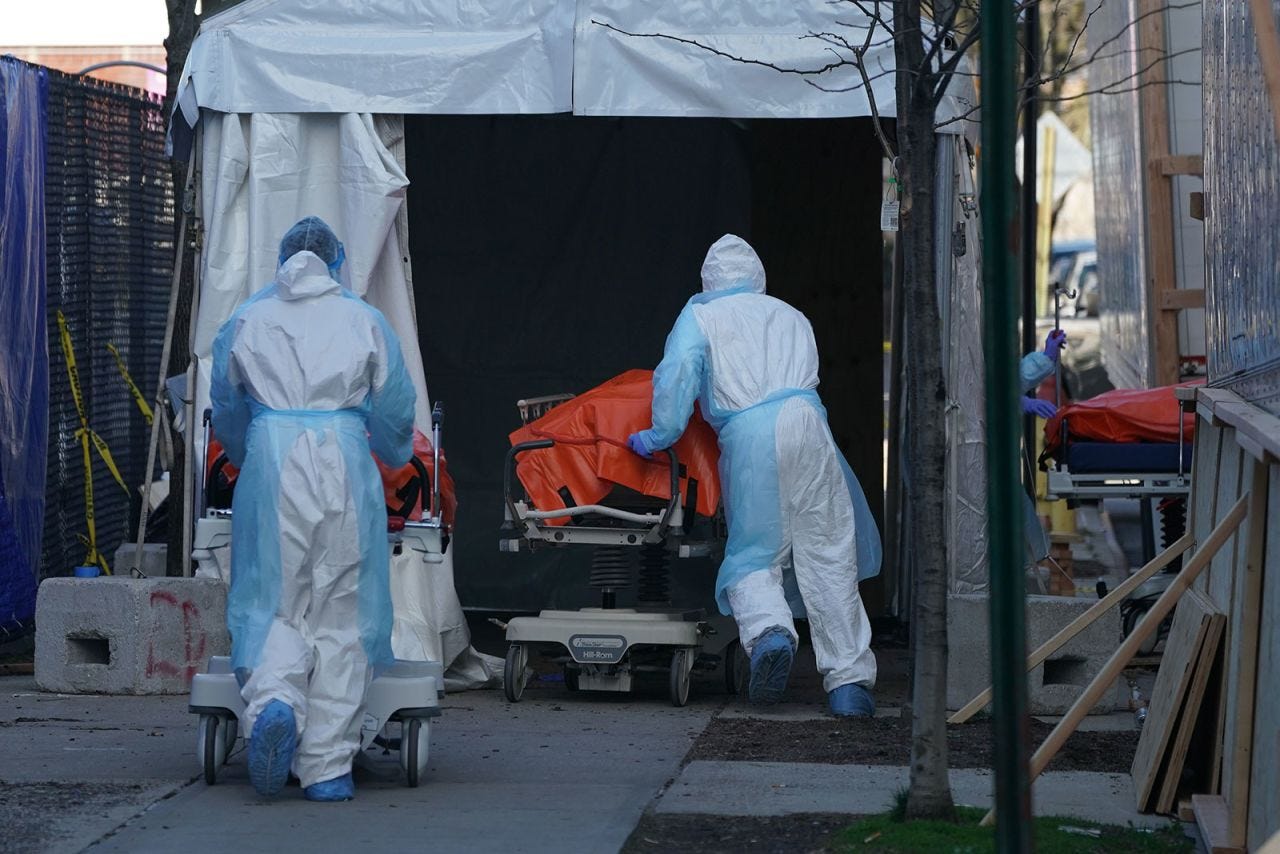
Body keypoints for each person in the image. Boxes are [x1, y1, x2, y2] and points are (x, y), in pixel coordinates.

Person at [627, 234, 881, 717]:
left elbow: (677, 374)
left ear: (708, 280)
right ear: (758, 276)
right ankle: (850, 684)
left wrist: (658, 435)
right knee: (828, 552)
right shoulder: (792, 315)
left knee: (754, 552)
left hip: (750, 437)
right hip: (810, 428)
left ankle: (769, 633)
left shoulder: (700, 317)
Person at [210, 216, 415, 802]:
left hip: (272, 461)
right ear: (335, 261)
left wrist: (246, 444)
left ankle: (275, 703)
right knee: (342, 612)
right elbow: (396, 408)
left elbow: (227, 408)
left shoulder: (247, 319)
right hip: (345, 463)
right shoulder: (363, 319)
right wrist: (390, 449)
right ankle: (327, 767)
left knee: (273, 603)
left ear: (283, 259)